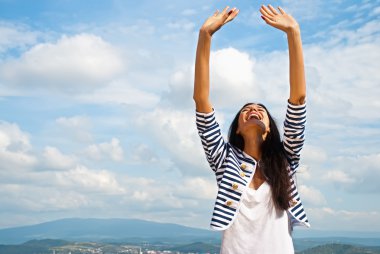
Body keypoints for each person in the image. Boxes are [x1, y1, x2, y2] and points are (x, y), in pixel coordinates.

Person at [193, 4, 310, 254]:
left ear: (269, 129)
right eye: (246, 110)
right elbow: (202, 103)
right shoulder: (224, 160)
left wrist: (293, 33)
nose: (253, 110)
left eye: (261, 110)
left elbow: (298, 100)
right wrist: (205, 36)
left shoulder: (285, 158)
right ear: (236, 129)